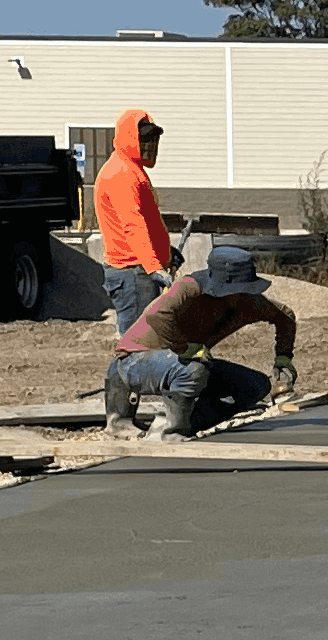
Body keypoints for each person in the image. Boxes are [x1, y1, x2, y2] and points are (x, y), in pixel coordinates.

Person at [104, 239, 299, 439]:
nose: (241, 296)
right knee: (194, 368)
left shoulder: (249, 302)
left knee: (255, 385)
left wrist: (283, 357)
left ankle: (186, 424)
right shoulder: (190, 288)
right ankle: (167, 433)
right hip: (134, 361)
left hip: (181, 363)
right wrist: (185, 347)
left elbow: (285, 317)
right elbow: (158, 315)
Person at [93, 108, 175, 335]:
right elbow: (133, 225)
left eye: (154, 139)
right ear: (129, 138)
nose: (151, 145)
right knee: (137, 345)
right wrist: (154, 266)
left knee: (139, 343)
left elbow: (147, 221)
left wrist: (166, 252)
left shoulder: (131, 169)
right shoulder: (121, 173)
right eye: (145, 138)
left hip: (137, 272)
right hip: (132, 274)